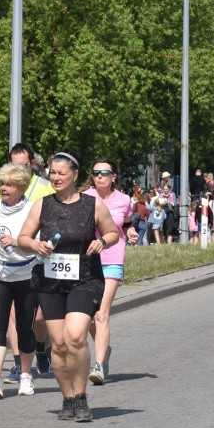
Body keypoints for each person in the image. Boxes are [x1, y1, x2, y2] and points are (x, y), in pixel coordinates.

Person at [17, 150, 119, 422]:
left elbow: (113, 232)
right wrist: (34, 244)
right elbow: (22, 238)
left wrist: (103, 242)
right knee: (59, 344)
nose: (56, 178)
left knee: (75, 336)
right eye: (53, 173)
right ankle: (67, 397)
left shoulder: (92, 205)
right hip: (50, 281)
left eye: (62, 173)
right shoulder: (42, 205)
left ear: (75, 175)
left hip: (84, 278)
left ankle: (81, 395)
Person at [0, 163, 38, 399]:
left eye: (10, 184)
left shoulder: (32, 209)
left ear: (21, 187)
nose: (3, 188)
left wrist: (17, 242)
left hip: (26, 275)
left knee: (24, 327)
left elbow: (38, 243)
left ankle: (25, 375)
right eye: (2, 183)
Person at [83, 158, 139, 385]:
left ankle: (98, 366)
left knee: (101, 313)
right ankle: (104, 349)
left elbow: (124, 223)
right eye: (95, 172)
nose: (99, 176)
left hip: (112, 258)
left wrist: (132, 230)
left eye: (104, 173)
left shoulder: (124, 200)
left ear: (114, 176)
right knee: (87, 317)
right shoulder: (85, 198)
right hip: (87, 260)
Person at [3, 143, 55, 383]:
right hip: (15, 260)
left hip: (41, 256)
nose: (18, 169)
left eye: (23, 165)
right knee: (14, 313)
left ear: (32, 163)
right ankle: (17, 363)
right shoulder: (5, 186)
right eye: (14, 164)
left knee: (39, 317)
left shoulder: (45, 187)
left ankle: (42, 348)